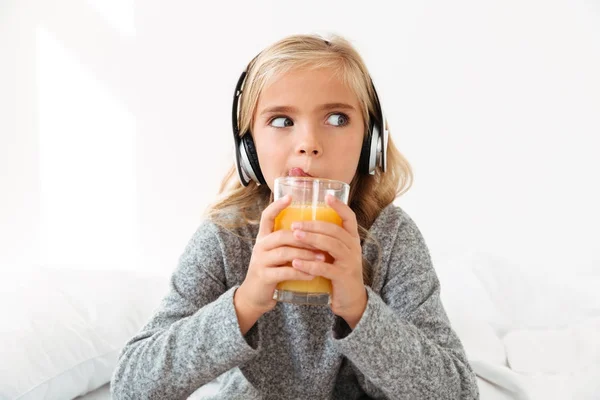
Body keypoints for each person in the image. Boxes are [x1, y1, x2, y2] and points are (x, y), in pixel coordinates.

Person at [110, 33, 479, 399]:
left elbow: (458, 392)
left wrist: (359, 307)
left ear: (370, 142)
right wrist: (245, 303)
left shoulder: (392, 237)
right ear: (249, 148)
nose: (308, 143)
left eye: (337, 118)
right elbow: (131, 386)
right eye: (282, 121)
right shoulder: (228, 236)